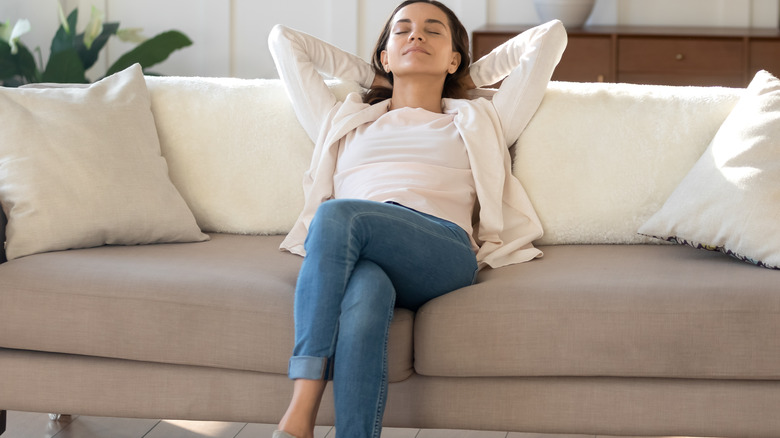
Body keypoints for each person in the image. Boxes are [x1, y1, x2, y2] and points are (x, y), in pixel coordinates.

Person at [268, 1, 567, 437]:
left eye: (433, 30)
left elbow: (550, 35)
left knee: (336, 216)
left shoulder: (480, 120)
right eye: (403, 30)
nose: (416, 35)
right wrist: (378, 74)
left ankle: (299, 413)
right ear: (385, 55)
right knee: (365, 292)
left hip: (440, 249)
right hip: (360, 250)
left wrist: (465, 77)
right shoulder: (344, 121)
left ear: (454, 58)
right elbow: (284, 40)